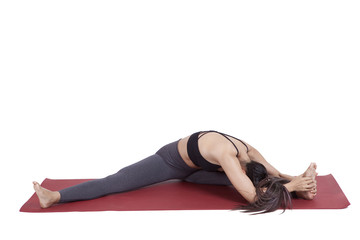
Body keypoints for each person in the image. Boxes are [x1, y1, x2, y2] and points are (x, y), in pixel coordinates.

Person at [33, 130, 317, 214]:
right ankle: (56, 197)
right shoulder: (226, 155)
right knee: (117, 181)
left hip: (194, 171)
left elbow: (273, 171)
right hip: (170, 162)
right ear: (240, 168)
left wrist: (297, 179)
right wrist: (288, 190)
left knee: (267, 183)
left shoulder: (250, 151)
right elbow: (251, 196)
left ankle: (299, 188)